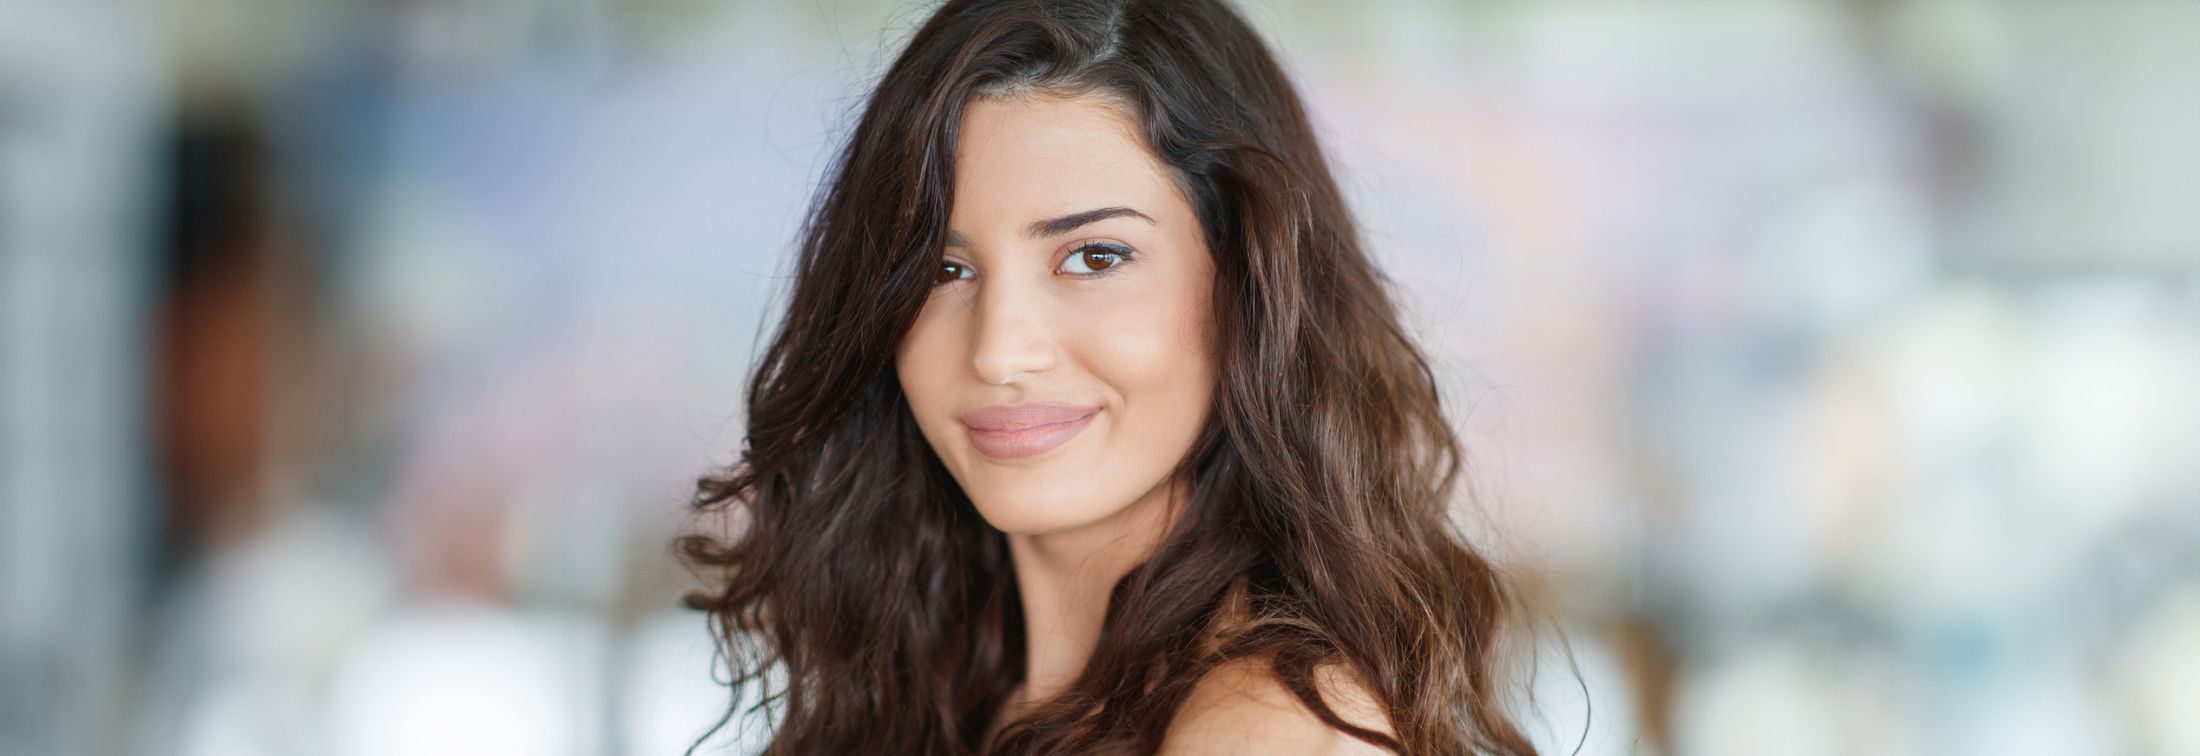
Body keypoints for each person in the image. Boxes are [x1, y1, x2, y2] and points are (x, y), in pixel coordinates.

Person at [678, 0, 1538, 753]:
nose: (997, 352)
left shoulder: (1270, 730)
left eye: (1094, 257)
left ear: (1252, 287)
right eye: (941, 270)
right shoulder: (946, 686)